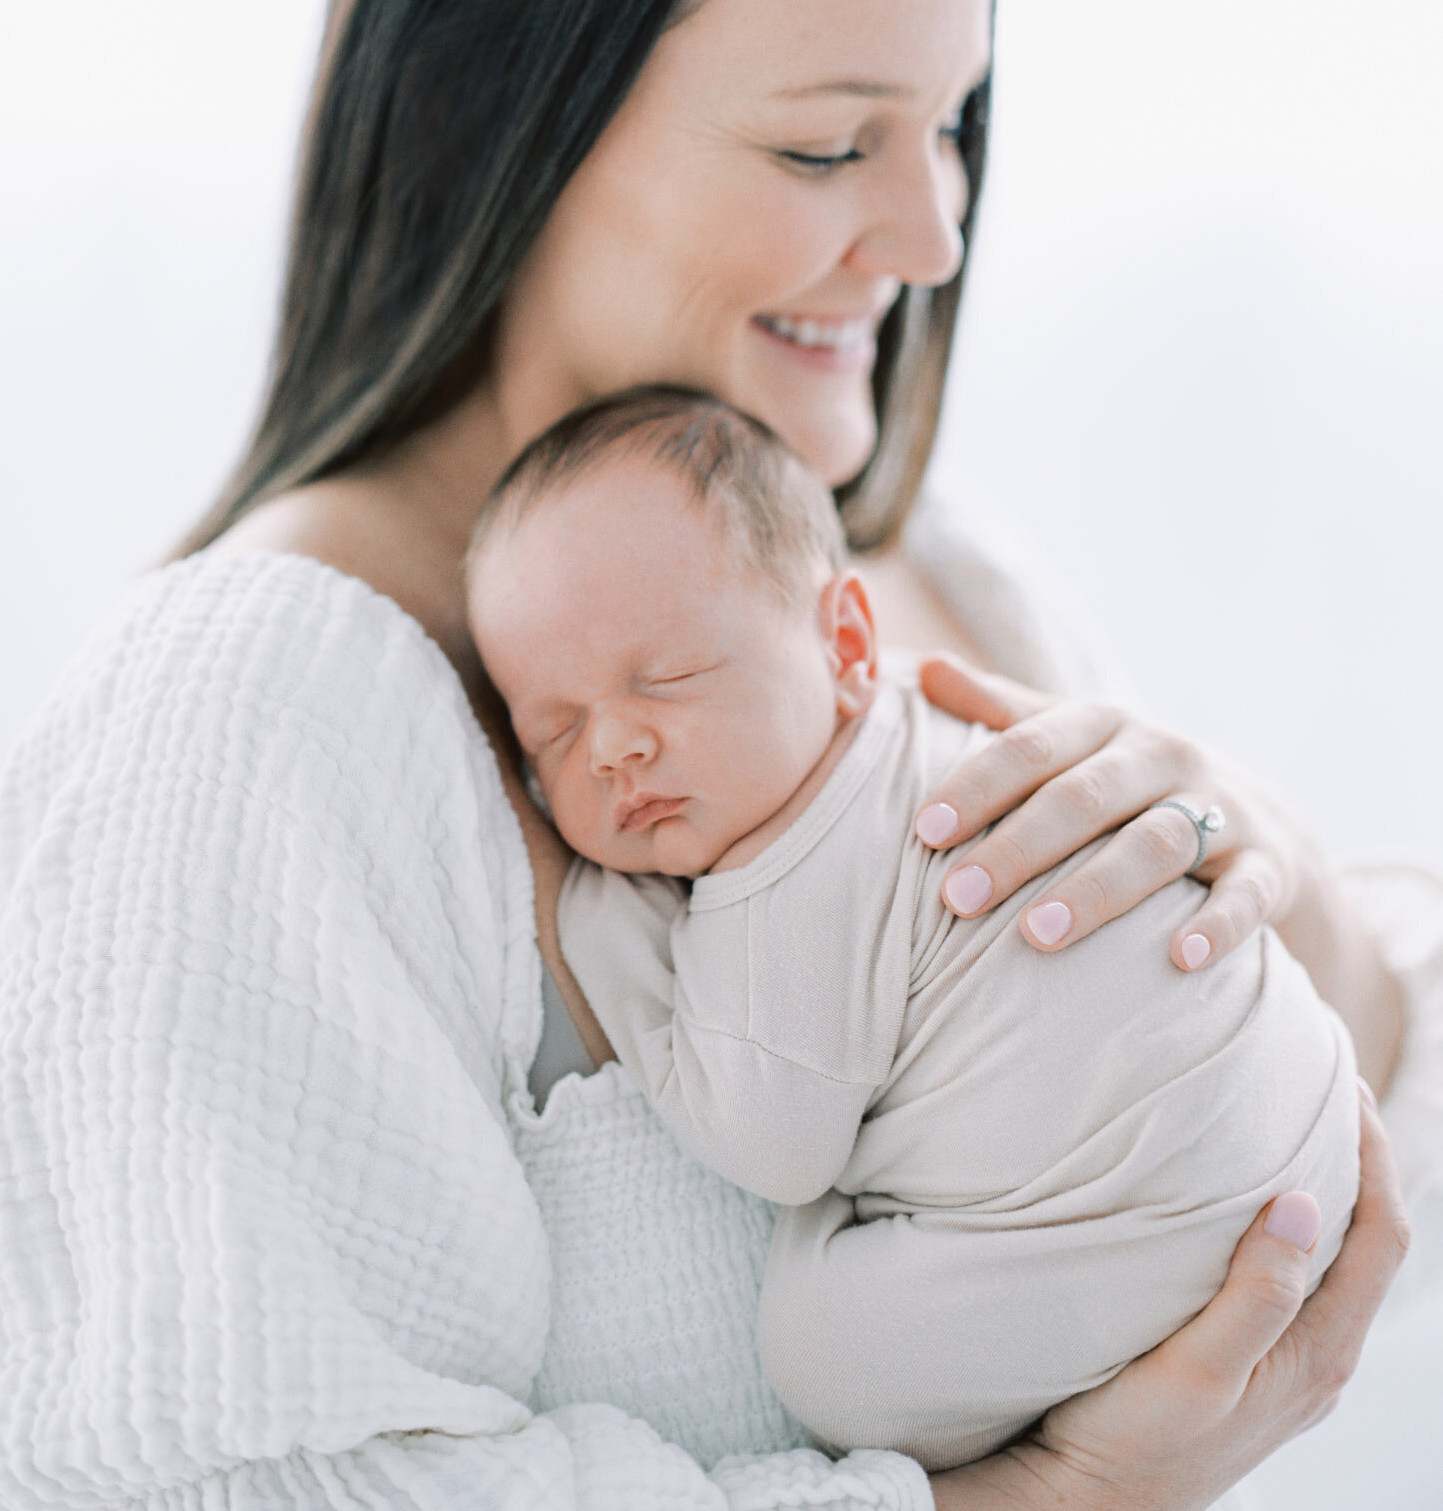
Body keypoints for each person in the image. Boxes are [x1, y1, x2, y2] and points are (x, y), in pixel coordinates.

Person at [0, 0, 1430, 1511]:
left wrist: (1264, 874)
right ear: (504, 115)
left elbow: (1336, 1104)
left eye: (953, 127)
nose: (933, 233)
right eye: (829, 143)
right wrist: (1060, 1502)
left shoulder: (933, 576)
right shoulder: (261, 721)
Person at [464, 383, 1361, 1472]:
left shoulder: (780, 861)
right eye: (551, 733)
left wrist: (610, 924)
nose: (612, 747)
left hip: (1152, 1225)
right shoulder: (924, 719)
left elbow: (772, 1149)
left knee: (823, 1357)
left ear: (844, 640)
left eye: (667, 677)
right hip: (1308, 1113)